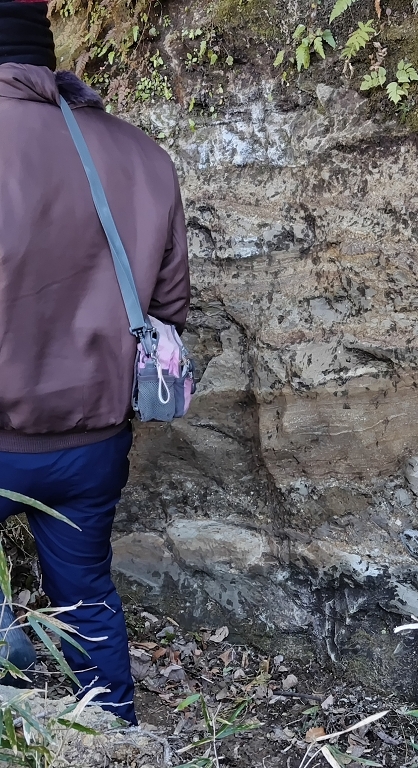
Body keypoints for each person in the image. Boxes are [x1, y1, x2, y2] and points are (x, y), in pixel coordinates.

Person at [0, 0, 190, 724]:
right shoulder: (140, 154)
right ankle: (113, 731)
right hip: (93, 443)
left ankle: (13, 677)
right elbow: (169, 304)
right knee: (85, 593)